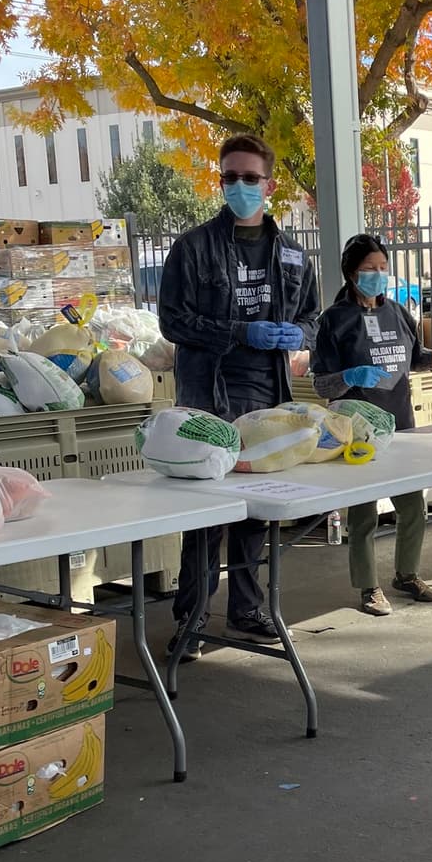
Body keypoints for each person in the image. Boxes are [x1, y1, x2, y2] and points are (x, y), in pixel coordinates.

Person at [159, 132, 318, 656]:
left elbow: (312, 318)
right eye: (231, 177)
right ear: (221, 181)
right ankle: (192, 620)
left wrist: (301, 335)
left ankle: (248, 610)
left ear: (269, 185)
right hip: (207, 392)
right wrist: (237, 331)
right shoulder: (192, 247)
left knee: (258, 512)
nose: (240, 187)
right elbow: (173, 320)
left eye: (250, 178)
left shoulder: (293, 255)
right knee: (205, 516)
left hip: (268, 394)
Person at [311, 234, 432, 616]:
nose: (378, 275)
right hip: (357, 429)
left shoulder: (399, 313)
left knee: (413, 505)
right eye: (370, 269)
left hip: (400, 422)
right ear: (351, 273)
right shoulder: (334, 320)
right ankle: (368, 587)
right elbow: (321, 383)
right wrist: (350, 374)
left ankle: (407, 574)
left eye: (383, 268)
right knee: (364, 513)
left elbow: (417, 358)